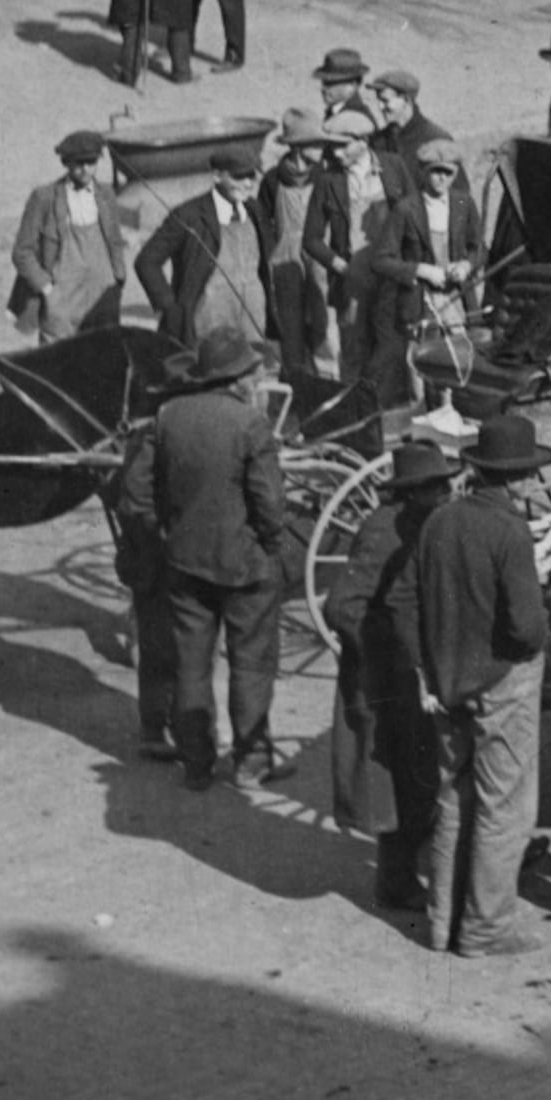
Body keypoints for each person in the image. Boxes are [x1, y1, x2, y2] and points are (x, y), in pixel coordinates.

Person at [413, 410, 551, 957]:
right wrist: (545, 631)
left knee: (453, 799)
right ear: (517, 477)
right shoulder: (509, 531)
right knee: (505, 806)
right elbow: (524, 625)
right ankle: (486, 928)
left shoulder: (439, 522)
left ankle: (441, 922)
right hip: (502, 680)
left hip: (448, 680)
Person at [144, 322, 297, 789]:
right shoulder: (250, 423)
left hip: (186, 562)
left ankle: (197, 764)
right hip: (245, 566)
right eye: (251, 372)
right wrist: (272, 547)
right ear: (236, 379)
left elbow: (146, 487)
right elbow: (270, 502)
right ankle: (251, 762)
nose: (254, 380)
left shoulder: (169, 415)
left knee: (193, 664)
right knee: (250, 663)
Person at [325, 433, 455, 910]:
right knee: (398, 779)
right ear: (410, 490)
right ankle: (396, 883)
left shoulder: (421, 522)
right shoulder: (384, 530)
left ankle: (413, 867)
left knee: (415, 773)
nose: (445, 494)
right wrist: (393, 655)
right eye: (435, 487)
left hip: (406, 671)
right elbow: (344, 605)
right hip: (384, 677)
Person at [354, 127, 485, 412]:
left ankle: (454, 421)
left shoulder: (463, 203)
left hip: (456, 304)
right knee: (420, 370)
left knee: (459, 365)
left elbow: (479, 248)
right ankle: (424, 432)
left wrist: (466, 265)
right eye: (435, 171)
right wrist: (421, 270)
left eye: (448, 173)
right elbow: (382, 260)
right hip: (419, 304)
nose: (441, 179)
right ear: (423, 171)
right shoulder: (406, 209)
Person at [135, 148, 280, 363]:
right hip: (209, 320)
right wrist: (170, 307)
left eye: (251, 176)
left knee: (256, 374)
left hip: (253, 319)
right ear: (217, 176)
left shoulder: (254, 210)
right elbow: (147, 261)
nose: (248, 183)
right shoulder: (189, 215)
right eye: (238, 176)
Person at [10, 126, 134, 342]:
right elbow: (22, 252)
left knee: (105, 363)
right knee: (59, 366)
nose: (86, 170)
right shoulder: (44, 198)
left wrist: (118, 279)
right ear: (66, 163)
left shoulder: (106, 194)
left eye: (92, 163)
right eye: (79, 164)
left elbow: (114, 241)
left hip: (103, 297)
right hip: (61, 302)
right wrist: (47, 289)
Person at [262, 112, 352, 393]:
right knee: (290, 327)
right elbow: (263, 221)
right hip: (284, 258)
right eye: (315, 144)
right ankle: (296, 387)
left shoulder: (326, 177)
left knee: (324, 325)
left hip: (318, 254)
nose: (321, 149)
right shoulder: (273, 179)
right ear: (297, 147)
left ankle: (327, 384)